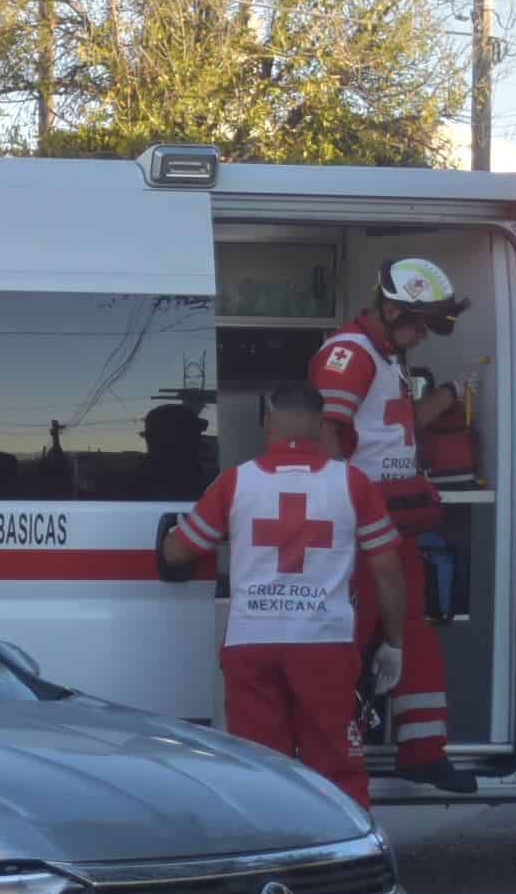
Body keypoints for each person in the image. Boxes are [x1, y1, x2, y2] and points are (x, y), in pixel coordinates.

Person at [160, 380, 403, 808]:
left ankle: (271, 856)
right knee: (337, 771)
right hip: (323, 646)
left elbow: (180, 551)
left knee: (258, 769)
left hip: (252, 644)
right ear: (320, 425)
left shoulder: (235, 482)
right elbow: (386, 570)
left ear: (267, 423)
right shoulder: (354, 484)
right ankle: (344, 859)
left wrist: (167, 537)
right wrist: (394, 644)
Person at [313, 260, 477, 792]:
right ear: (389, 309)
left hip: (394, 521)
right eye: (418, 323)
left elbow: (392, 430)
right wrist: (345, 508)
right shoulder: (349, 355)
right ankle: (333, 760)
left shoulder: (385, 358)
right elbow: (327, 434)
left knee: (413, 632)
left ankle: (423, 750)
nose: (423, 334)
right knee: (353, 638)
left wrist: (452, 393)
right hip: (360, 525)